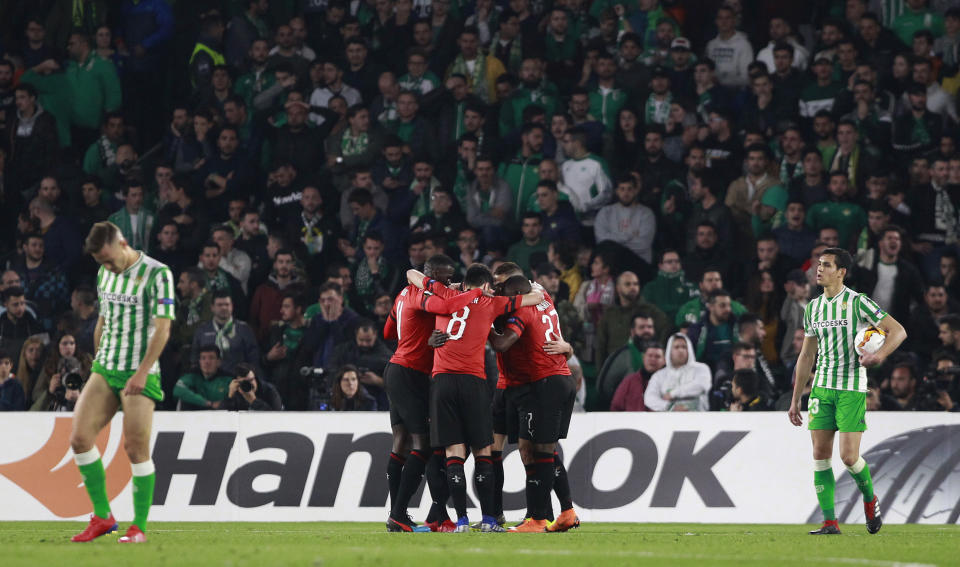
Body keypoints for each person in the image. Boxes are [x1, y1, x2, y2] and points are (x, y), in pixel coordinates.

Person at [406, 263, 542, 532]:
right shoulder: (493, 303)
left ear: (464, 282)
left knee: (453, 453)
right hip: (473, 381)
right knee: (483, 452)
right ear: (487, 285)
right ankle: (490, 520)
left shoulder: (445, 294)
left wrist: (449, 288)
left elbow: (411, 274)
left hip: (442, 381)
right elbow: (535, 297)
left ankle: (462, 521)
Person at [788, 247, 907, 535]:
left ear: (841, 272)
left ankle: (869, 500)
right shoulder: (813, 308)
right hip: (821, 389)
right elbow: (806, 356)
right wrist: (795, 399)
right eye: (819, 264)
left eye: (826, 265)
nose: (819, 269)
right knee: (819, 454)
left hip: (851, 388)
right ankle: (830, 522)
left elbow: (898, 331)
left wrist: (879, 356)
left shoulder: (858, 303)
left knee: (849, 458)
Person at [69, 221, 175, 544]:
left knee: (135, 447)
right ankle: (103, 517)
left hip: (140, 371)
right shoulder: (104, 274)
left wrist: (142, 372)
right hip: (107, 367)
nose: (107, 266)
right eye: (100, 262)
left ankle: (138, 527)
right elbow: (104, 318)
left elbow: (163, 329)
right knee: (79, 439)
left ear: (123, 243)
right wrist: (98, 355)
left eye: (109, 259)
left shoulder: (159, 274)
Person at [382, 254, 485, 532]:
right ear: (430, 275)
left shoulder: (403, 294)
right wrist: (473, 293)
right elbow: (448, 304)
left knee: (401, 442)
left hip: (399, 369)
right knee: (424, 445)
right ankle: (399, 513)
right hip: (409, 374)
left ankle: (398, 514)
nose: (447, 282)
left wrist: (416, 339)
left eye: (450, 277)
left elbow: (389, 330)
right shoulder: (420, 294)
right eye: (443, 278)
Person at [485, 274, 577, 533]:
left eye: (503, 288)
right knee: (532, 447)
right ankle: (565, 512)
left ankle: (538, 519)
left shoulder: (522, 312)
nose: (498, 290)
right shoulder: (543, 297)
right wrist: (568, 348)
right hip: (552, 380)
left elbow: (502, 344)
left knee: (542, 451)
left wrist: (485, 325)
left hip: (544, 383)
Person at [190, 290, 261, 376]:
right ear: (212, 307)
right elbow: (194, 358)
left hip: (236, 379)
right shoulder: (202, 330)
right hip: (208, 382)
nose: (224, 308)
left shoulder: (244, 329)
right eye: (219, 305)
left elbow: (254, 359)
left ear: (232, 306)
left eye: (227, 304)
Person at [644, 333, 712, 411]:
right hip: (668, 420)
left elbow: (701, 386)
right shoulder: (659, 375)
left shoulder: (701, 368)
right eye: (676, 347)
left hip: (698, 419)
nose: (681, 350)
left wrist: (673, 394)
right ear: (670, 351)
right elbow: (649, 398)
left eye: (684, 347)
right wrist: (670, 407)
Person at [173, 344, 234, 410]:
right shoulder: (192, 375)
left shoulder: (228, 379)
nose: (207, 362)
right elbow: (178, 390)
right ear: (199, 362)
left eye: (211, 358)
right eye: (203, 358)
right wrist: (207, 403)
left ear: (219, 362)